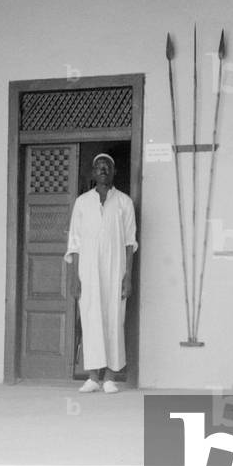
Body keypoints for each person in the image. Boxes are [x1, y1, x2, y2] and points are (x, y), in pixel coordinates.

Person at [65, 153, 137, 393]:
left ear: (114, 171)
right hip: (88, 272)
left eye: (107, 166)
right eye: (98, 166)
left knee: (114, 319)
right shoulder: (82, 202)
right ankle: (93, 376)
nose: (103, 169)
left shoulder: (124, 202)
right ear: (93, 173)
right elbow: (74, 243)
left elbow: (130, 243)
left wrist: (128, 276)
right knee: (91, 319)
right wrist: (75, 277)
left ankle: (109, 376)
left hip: (116, 270)